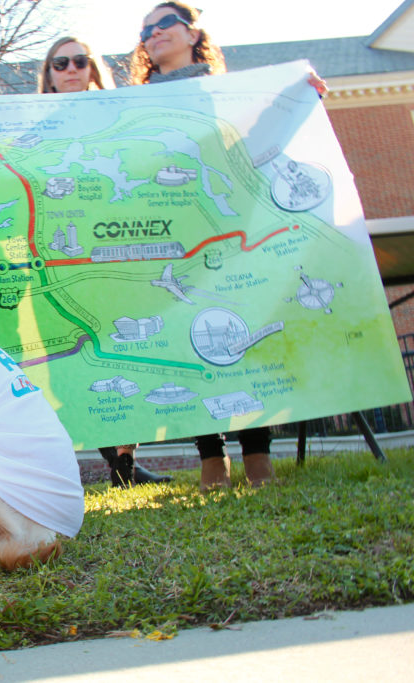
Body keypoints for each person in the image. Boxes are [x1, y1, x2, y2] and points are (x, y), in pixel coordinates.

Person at [129, 2, 326, 490]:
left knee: (241, 332)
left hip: (228, 226)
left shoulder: (232, 91)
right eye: (145, 29)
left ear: (193, 32)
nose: (154, 33)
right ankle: (210, 459)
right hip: (169, 233)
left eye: (164, 23)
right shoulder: (127, 104)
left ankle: (257, 455)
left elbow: (261, 136)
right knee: (186, 338)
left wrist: (301, 96)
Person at [38, 37, 170, 488]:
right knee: (80, 357)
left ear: (93, 69)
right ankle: (115, 466)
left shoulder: (121, 116)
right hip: (58, 261)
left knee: (125, 354)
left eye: (80, 61)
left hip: (115, 253)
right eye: (61, 62)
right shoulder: (32, 126)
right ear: (49, 74)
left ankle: (126, 466)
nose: (71, 68)